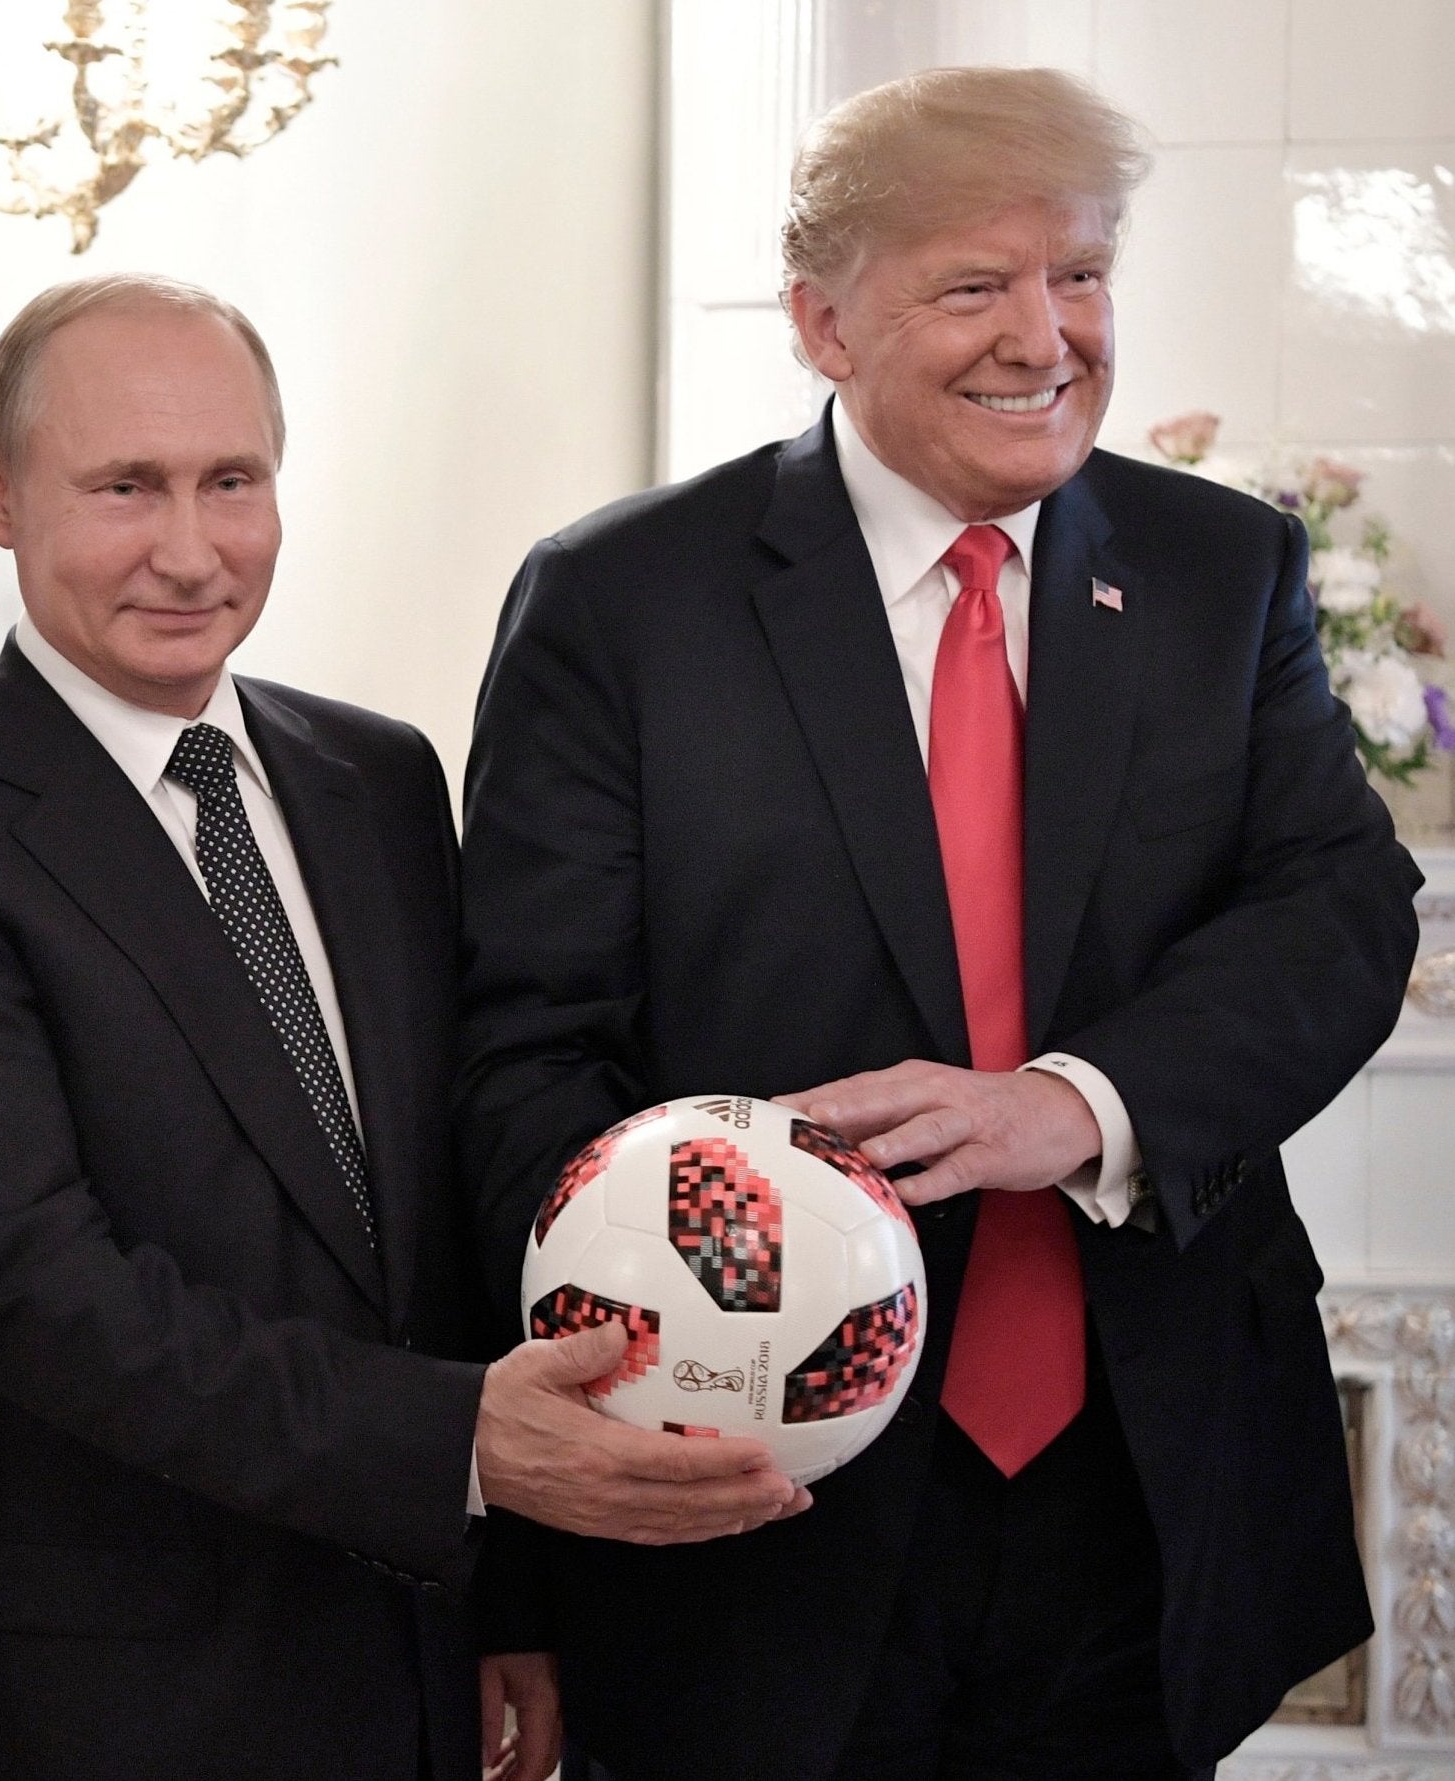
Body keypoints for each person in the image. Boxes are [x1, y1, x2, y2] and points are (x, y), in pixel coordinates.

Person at [460, 65, 1418, 1781]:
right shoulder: (622, 601)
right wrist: (624, 1395)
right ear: (822, 323)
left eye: (1078, 274)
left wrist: (1073, 1105)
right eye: (971, 285)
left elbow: (1339, 907)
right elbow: (526, 1050)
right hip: (755, 1504)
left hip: (1139, 1488)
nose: (1041, 336)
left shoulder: (1223, 570)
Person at [0, 272, 804, 1781]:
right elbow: (45, 1298)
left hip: (401, 1679)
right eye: (125, 486)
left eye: (230, 481)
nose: (190, 550)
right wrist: (459, 1444)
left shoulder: (377, 779)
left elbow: (435, 1225)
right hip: (88, 1711)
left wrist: (503, 1592)